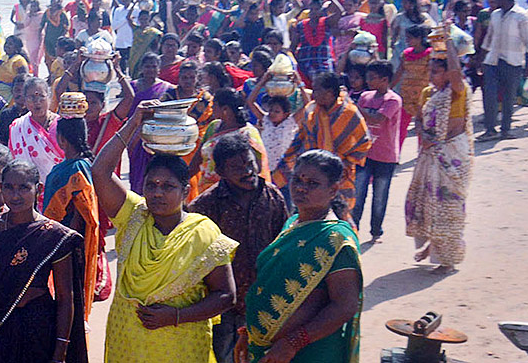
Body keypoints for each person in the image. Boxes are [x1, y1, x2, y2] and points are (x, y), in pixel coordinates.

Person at [90, 109, 237, 363]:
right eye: (151, 185)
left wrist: (176, 316)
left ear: (185, 190)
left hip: (180, 344)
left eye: (168, 186)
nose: (158, 193)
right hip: (128, 341)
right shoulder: (134, 215)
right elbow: (100, 171)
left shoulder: (202, 232)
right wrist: (133, 122)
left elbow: (225, 295)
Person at [236, 150, 363, 363]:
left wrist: (292, 343)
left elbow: (345, 305)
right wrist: (249, 334)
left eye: (313, 183)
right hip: (266, 348)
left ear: (333, 190)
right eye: (297, 179)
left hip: (309, 351)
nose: (301, 188)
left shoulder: (337, 240)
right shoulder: (293, 223)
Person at [0, 161, 88, 363]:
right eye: (9, 187)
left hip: (36, 329)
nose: (15, 195)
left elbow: (65, 297)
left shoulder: (53, 235)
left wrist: (60, 352)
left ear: (38, 189)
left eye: (23, 188)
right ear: (1, 188)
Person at [189, 133, 289, 363]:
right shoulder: (205, 206)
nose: (247, 171)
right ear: (221, 172)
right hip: (220, 305)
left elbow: (283, 246)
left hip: (261, 299)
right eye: (237, 167)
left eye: (249, 163)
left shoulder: (273, 197)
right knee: (222, 354)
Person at [407, 42, 473, 273]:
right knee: (427, 202)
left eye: (436, 72)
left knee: (449, 206)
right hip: (430, 152)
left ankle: (448, 258)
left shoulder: (458, 90)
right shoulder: (428, 93)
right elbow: (418, 117)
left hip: (452, 154)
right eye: (430, 71)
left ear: (448, 72)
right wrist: (424, 134)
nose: (431, 76)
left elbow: (457, 74)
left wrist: (451, 46)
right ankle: (431, 246)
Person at [283, 72, 372, 213]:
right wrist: (288, 157)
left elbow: (364, 142)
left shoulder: (349, 113)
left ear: (329, 93)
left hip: (339, 174)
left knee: (339, 214)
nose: (314, 94)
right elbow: (300, 135)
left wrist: (346, 164)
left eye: (317, 90)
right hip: (310, 171)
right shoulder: (311, 110)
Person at [44, 118, 102, 320]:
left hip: (66, 240)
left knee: (65, 294)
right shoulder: (82, 165)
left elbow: (81, 211)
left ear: (61, 140)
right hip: (66, 237)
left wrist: (68, 241)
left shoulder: (74, 168)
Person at [476, 0, 528, 140]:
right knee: (490, 95)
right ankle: (490, 129)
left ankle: (505, 129)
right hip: (492, 60)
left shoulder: (521, 16)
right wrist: (480, 58)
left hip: (512, 62)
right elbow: (489, 38)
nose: (494, 1)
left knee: (509, 97)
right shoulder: (495, 15)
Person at [190, 89, 270, 200]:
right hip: (207, 194)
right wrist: (182, 179)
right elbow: (197, 159)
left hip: (236, 195)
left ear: (225, 109)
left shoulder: (248, 133)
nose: (212, 108)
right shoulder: (214, 127)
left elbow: (257, 167)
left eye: (215, 106)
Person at [353, 62, 403, 241]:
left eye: (372, 78)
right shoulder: (365, 96)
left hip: (385, 156)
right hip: (364, 153)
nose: (368, 81)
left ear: (384, 79)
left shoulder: (393, 100)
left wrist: (355, 107)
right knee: (357, 194)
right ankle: (354, 228)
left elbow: (378, 118)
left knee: (380, 196)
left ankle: (376, 230)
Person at [125, 54, 176, 193]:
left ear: (159, 69)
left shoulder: (168, 88)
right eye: (147, 66)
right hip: (135, 136)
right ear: (141, 68)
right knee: (137, 172)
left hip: (157, 137)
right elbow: (127, 110)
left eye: (154, 66)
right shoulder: (132, 87)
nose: (151, 70)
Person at [7, 77, 64, 186]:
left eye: (41, 97)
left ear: (49, 97)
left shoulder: (61, 124)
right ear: (25, 100)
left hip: (60, 186)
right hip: (29, 188)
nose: (37, 102)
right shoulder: (18, 126)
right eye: (31, 97)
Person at [0, 36, 31, 102]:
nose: (7, 45)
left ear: (16, 48)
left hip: (10, 94)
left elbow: (24, 78)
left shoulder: (19, 60)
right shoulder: (0, 58)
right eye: (6, 43)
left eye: (10, 44)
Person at [0, 74, 29, 146]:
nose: (20, 94)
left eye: (24, 91)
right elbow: (3, 139)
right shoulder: (6, 114)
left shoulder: (34, 114)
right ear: (12, 91)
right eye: (17, 90)